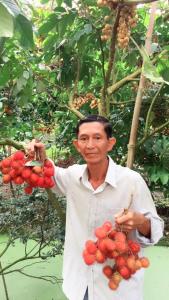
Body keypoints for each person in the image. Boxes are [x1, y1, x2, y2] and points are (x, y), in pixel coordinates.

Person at [27, 115, 163, 300]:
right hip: (78, 284)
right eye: (84, 138)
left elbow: (155, 229)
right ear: (77, 144)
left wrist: (141, 221)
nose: (90, 145)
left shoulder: (131, 181)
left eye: (97, 137)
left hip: (117, 291)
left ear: (110, 143)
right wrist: (36, 157)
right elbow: (47, 172)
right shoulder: (73, 177)